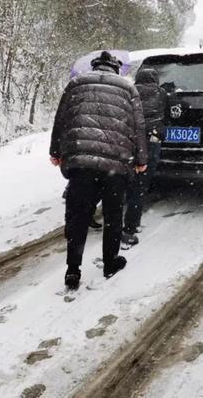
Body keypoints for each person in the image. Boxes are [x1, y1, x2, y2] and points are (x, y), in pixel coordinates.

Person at [50, 51, 148, 288]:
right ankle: (110, 262)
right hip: (116, 164)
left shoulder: (76, 84)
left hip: (81, 162)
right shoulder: (128, 88)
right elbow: (138, 126)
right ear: (115, 68)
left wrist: (56, 151)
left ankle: (73, 270)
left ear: (94, 66)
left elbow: (61, 119)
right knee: (113, 215)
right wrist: (141, 159)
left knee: (79, 216)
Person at [122, 68, 167, 247]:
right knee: (141, 185)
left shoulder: (130, 91)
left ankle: (121, 223)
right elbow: (168, 111)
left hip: (130, 141)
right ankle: (131, 226)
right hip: (151, 140)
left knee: (126, 183)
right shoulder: (161, 93)